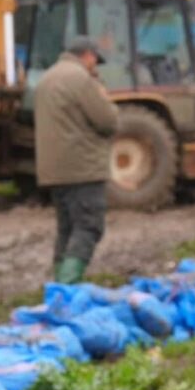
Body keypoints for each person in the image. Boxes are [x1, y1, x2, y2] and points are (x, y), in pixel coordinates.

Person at [34, 36, 119, 284]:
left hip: (53, 170)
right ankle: (67, 285)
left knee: (67, 229)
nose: (95, 66)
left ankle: (59, 287)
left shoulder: (46, 79)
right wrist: (102, 95)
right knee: (89, 226)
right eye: (95, 61)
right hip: (83, 168)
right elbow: (108, 121)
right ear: (88, 56)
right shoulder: (81, 80)